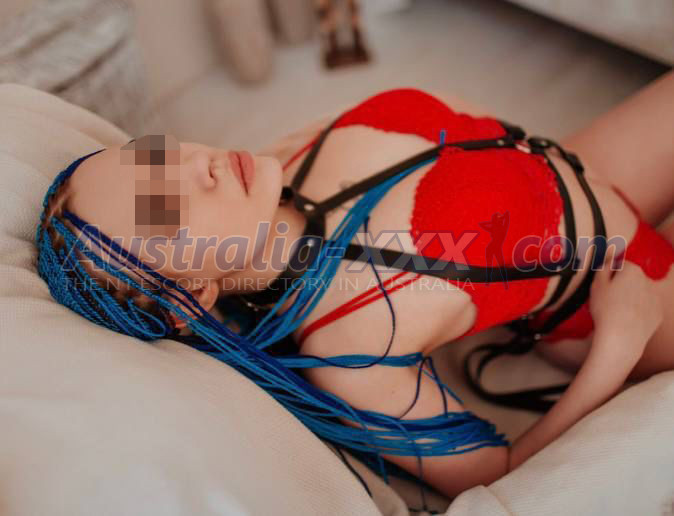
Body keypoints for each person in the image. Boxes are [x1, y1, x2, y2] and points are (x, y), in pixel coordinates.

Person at [35, 71, 674, 499]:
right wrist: (619, 343)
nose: (197, 165)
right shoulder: (353, 350)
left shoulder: (283, 162)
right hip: (620, 290)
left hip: (579, 171)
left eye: (157, 155)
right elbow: (501, 474)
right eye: (169, 210)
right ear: (194, 293)